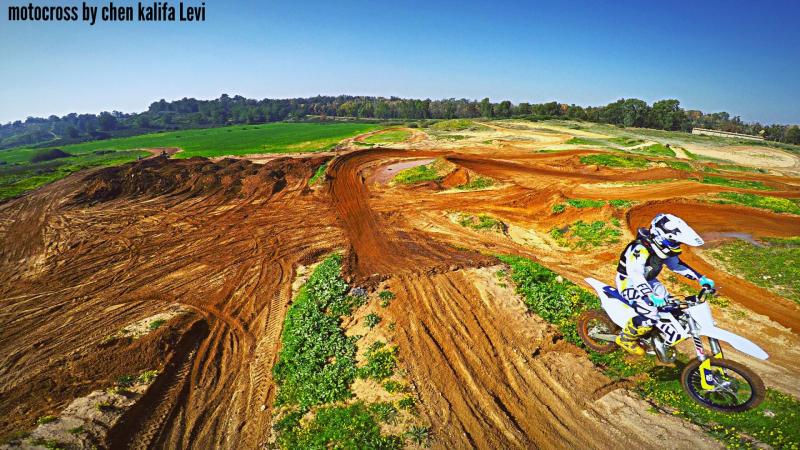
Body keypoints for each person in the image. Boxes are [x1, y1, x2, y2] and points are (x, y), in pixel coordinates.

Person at [615, 213, 715, 355]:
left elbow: (677, 265)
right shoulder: (640, 248)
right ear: (661, 236)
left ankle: (656, 335)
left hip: (649, 281)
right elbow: (635, 273)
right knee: (650, 313)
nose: (676, 245)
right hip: (628, 282)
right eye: (674, 242)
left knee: (670, 307)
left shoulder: (661, 248)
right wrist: (650, 295)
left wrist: (701, 279)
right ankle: (625, 339)